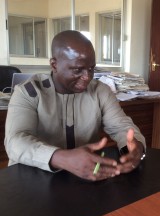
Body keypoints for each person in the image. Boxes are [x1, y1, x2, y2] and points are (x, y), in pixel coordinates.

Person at [5, 30, 146, 181]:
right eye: (77, 70)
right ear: (54, 64)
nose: (87, 77)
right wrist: (62, 158)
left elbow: (121, 126)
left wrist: (133, 148)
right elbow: (16, 142)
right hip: (33, 180)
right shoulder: (28, 92)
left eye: (91, 69)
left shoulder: (100, 91)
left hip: (87, 178)